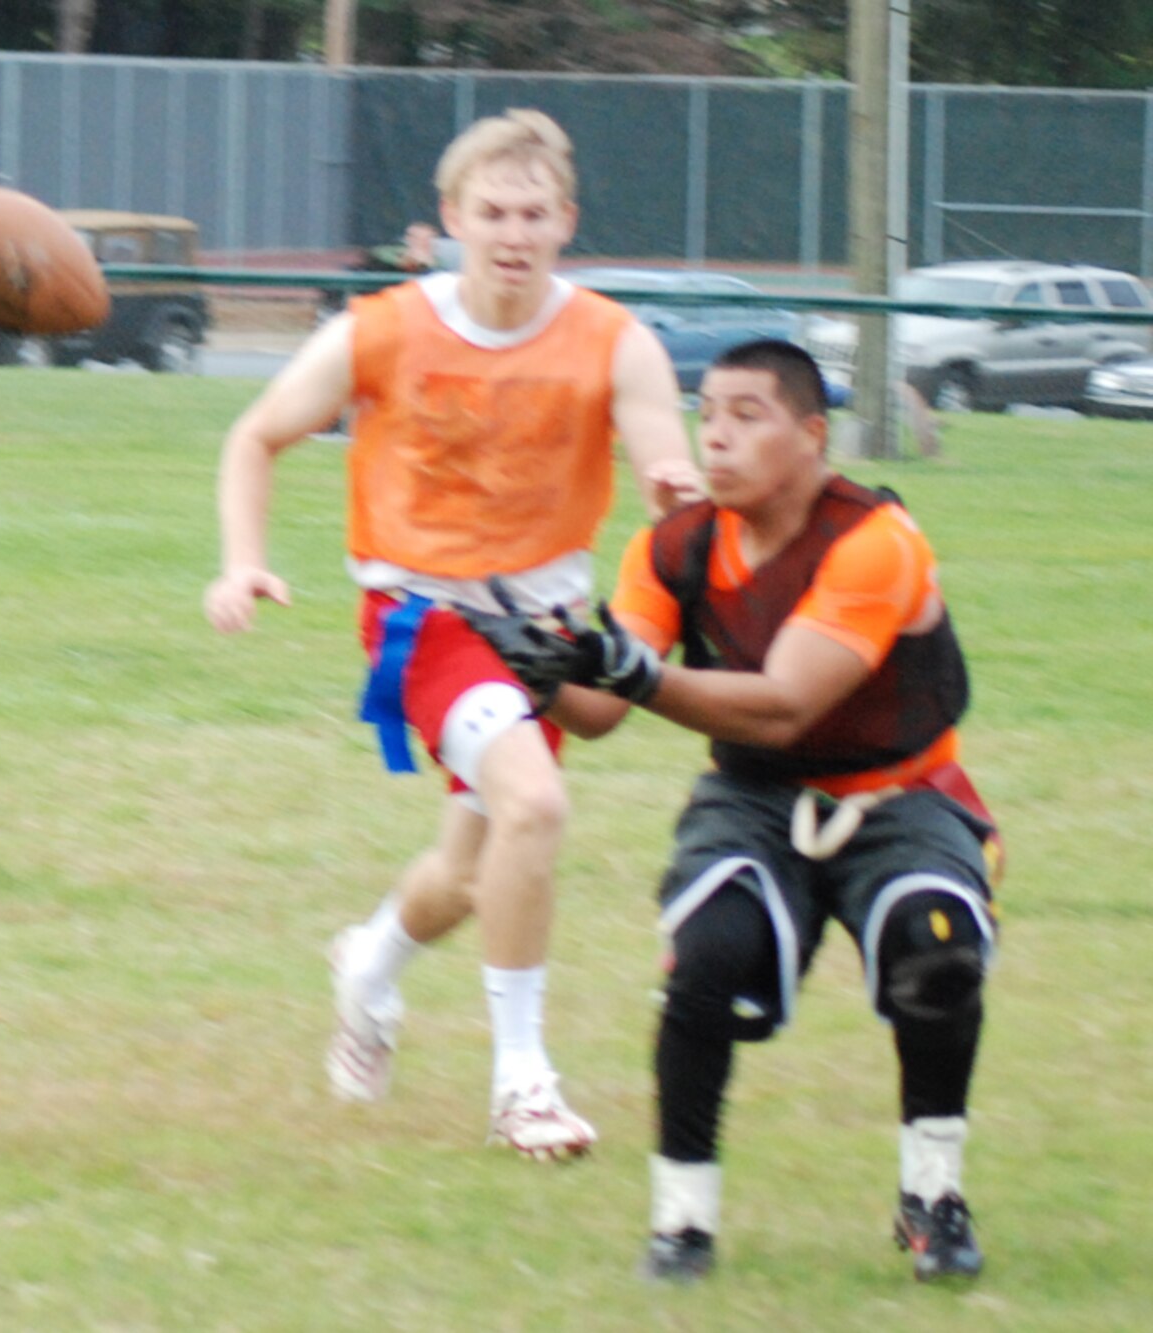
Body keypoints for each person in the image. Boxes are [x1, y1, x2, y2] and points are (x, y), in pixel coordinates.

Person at [202, 109, 702, 1158]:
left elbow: (676, 486)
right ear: (449, 219)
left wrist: (675, 498)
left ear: (565, 221)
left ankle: (367, 966)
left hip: (544, 630)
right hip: (421, 617)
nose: (511, 233)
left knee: (474, 871)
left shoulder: (616, 341)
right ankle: (522, 1084)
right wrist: (242, 557)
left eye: (532, 213)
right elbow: (255, 434)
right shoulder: (381, 329)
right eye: (491, 212)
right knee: (536, 803)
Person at [466, 339, 1001, 1281]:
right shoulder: (673, 545)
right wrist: (537, 663)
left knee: (938, 943)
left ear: (812, 434)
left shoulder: (876, 539)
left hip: (901, 792)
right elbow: (598, 713)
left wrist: (625, 669)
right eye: (707, 411)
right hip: (755, 795)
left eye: (747, 415)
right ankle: (682, 1221)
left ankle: (933, 1195)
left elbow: (789, 698)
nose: (715, 436)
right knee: (707, 957)